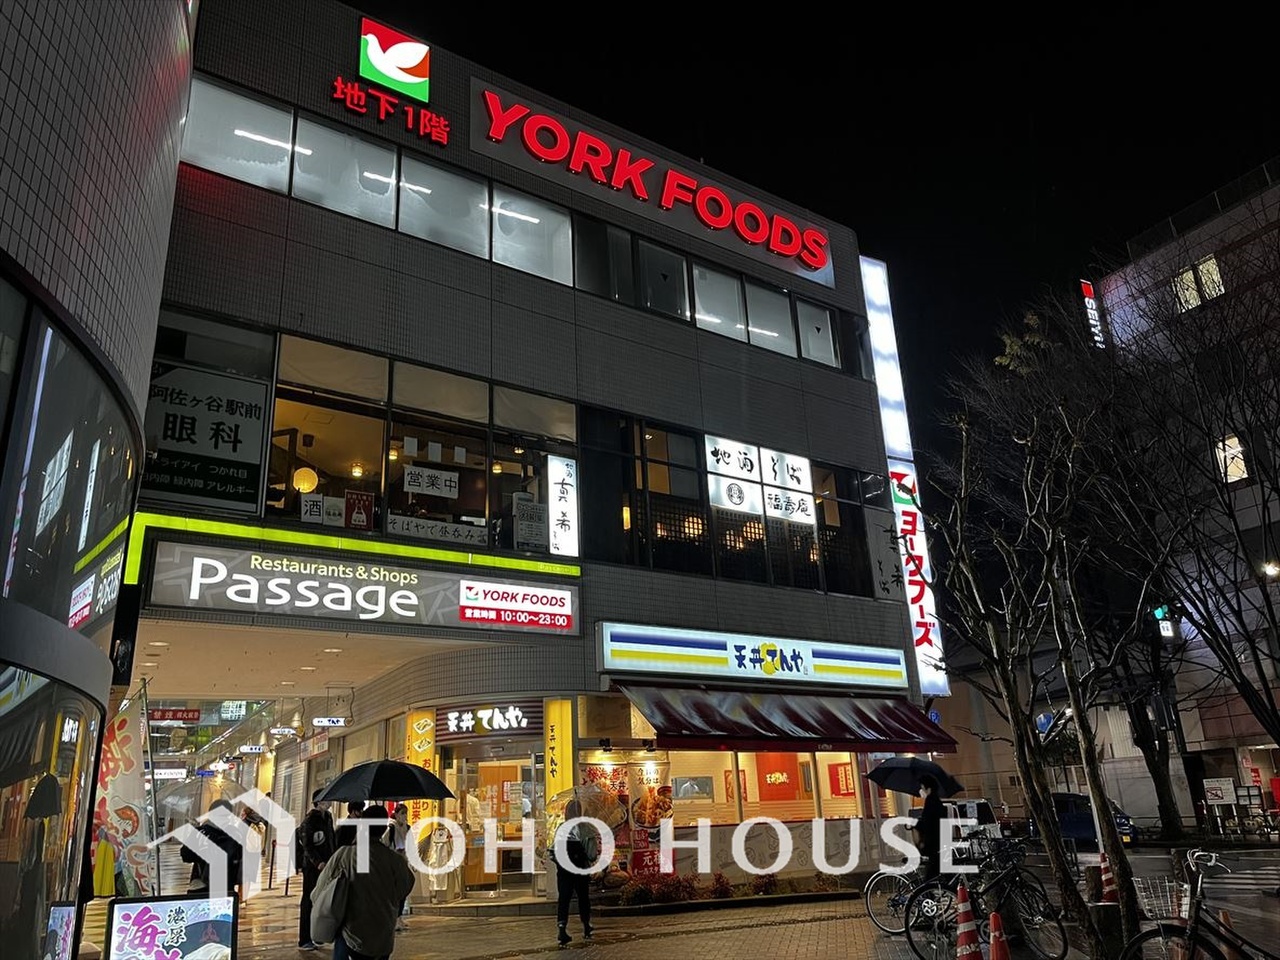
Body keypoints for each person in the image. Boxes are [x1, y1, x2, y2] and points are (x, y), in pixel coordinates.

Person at [314, 807, 415, 960]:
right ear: (383, 829)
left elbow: (319, 891)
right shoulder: (394, 860)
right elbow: (405, 887)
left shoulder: (344, 855)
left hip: (350, 934)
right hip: (383, 935)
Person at [550, 797, 595, 947]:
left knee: (564, 898)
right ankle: (586, 925)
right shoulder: (586, 829)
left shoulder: (560, 828)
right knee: (583, 897)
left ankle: (562, 928)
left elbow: (553, 851)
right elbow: (592, 854)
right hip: (580, 869)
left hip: (563, 870)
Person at [298, 789, 337, 951]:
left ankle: (317, 934)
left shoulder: (327, 817)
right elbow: (307, 845)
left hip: (327, 865)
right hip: (312, 867)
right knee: (309, 899)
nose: (330, 802)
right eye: (327, 799)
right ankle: (304, 939)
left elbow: (331, 839)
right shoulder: (310, 820)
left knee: (321, 900)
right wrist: (317, 862)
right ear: (319, 801)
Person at [181, 799, 244, 898]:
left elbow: (186, 855)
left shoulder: (200, 832)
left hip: (201, 885)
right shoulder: (236, 834)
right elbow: (240, 860)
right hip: (225, 887)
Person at [910, 774, 945, 883]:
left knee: (931, 876)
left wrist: (916, 824)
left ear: (928, 788)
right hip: (940, 843)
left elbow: (927, 822)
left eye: (922, 788)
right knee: (938, 872)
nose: (921, 791)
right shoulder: (937, 801)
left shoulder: (930, 801)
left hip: (933, 844)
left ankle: (926, 891)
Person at [382, 804, 411, 931]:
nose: (404, 816)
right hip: (392, 864)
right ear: (396, 814)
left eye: (406, 813)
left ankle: (399, 917)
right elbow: (384, 844)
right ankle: (393, 918)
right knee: (394, 892)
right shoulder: (391, 827)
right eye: (402, 813)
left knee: (402, 891)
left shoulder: (407, 828)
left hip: (403, 862)